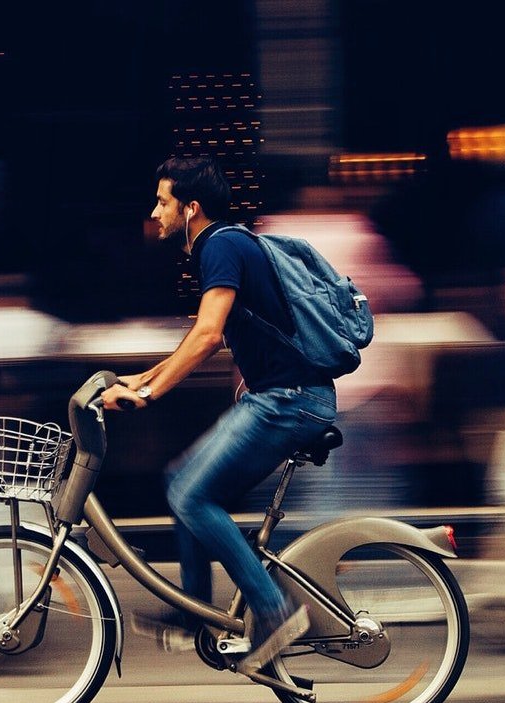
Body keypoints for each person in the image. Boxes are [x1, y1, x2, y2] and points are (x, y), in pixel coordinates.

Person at [101, 157, 337, 670]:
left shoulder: (222, 245)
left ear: (191, 208)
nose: (155, 210)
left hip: (289, 400)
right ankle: (195, 614)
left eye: (163, 201)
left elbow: (208, 335)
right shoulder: (226, 244)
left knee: (190, 494)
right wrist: (143, 378)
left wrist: (149, 395)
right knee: (181, 478)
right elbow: (204, 337)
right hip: (278, 398)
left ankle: (274, 611)